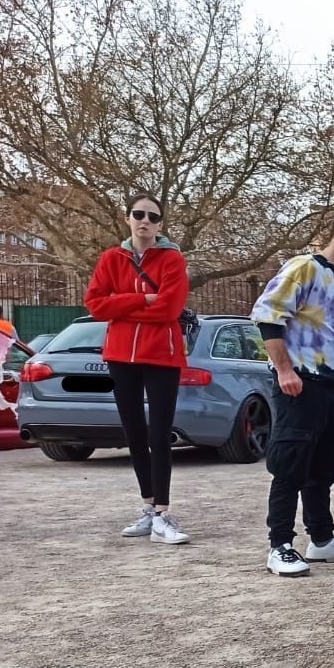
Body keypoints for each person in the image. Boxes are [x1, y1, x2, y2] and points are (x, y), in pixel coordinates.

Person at [251, 211, 334, 577]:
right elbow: (268, 316)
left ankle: (321, 539)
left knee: (323, 466)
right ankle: (280, 544)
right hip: (302, 381)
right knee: (290, 464)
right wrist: (284, 370)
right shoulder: (304, 267)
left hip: (333, 383)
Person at [83, 192, 192, 544]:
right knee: (134, 434)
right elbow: (96, 306)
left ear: (160, 225)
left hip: (162, 355)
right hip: (120, 356)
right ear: (127, 218)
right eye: (139, 214)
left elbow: (169, 309)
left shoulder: (173, 260)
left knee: (159, 435)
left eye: (153, 217)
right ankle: (148, 507)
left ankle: (162, 513)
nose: (145, 221)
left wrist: (120, 305)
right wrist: (142, 298)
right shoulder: (111, 258)